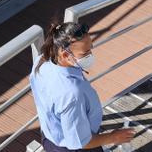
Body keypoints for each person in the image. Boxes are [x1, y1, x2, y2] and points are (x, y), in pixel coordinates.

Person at [30, 22, 135, 151]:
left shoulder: (41, 61)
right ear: (65, 55)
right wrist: (114, 137)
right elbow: (81, 142)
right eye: (85, 52)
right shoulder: (72, 94)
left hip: (50, 137)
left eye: (90, 48)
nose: (90, 55)